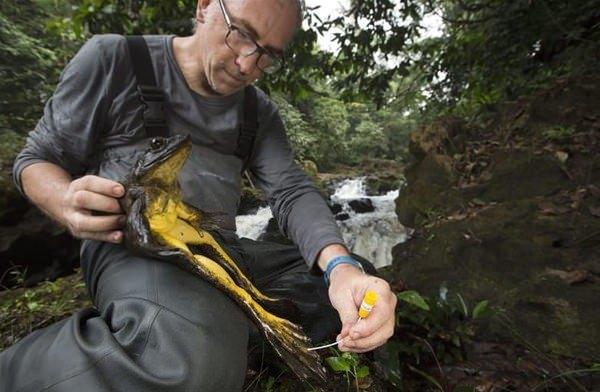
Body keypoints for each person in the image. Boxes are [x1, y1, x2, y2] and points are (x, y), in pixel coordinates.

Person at [0, 0, 397, 390]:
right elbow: (37, 158)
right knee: (189, 363)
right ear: (205, 6)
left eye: (267, 56)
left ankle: (217, 326)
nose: (246, 64)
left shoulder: (257, 112)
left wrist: (341, 268)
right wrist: (64, 199)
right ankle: (20, 372)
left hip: (219, 248)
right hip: (137, 244)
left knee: (353, 292)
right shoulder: (115, 57)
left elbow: (291, 190)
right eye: (241, 33)